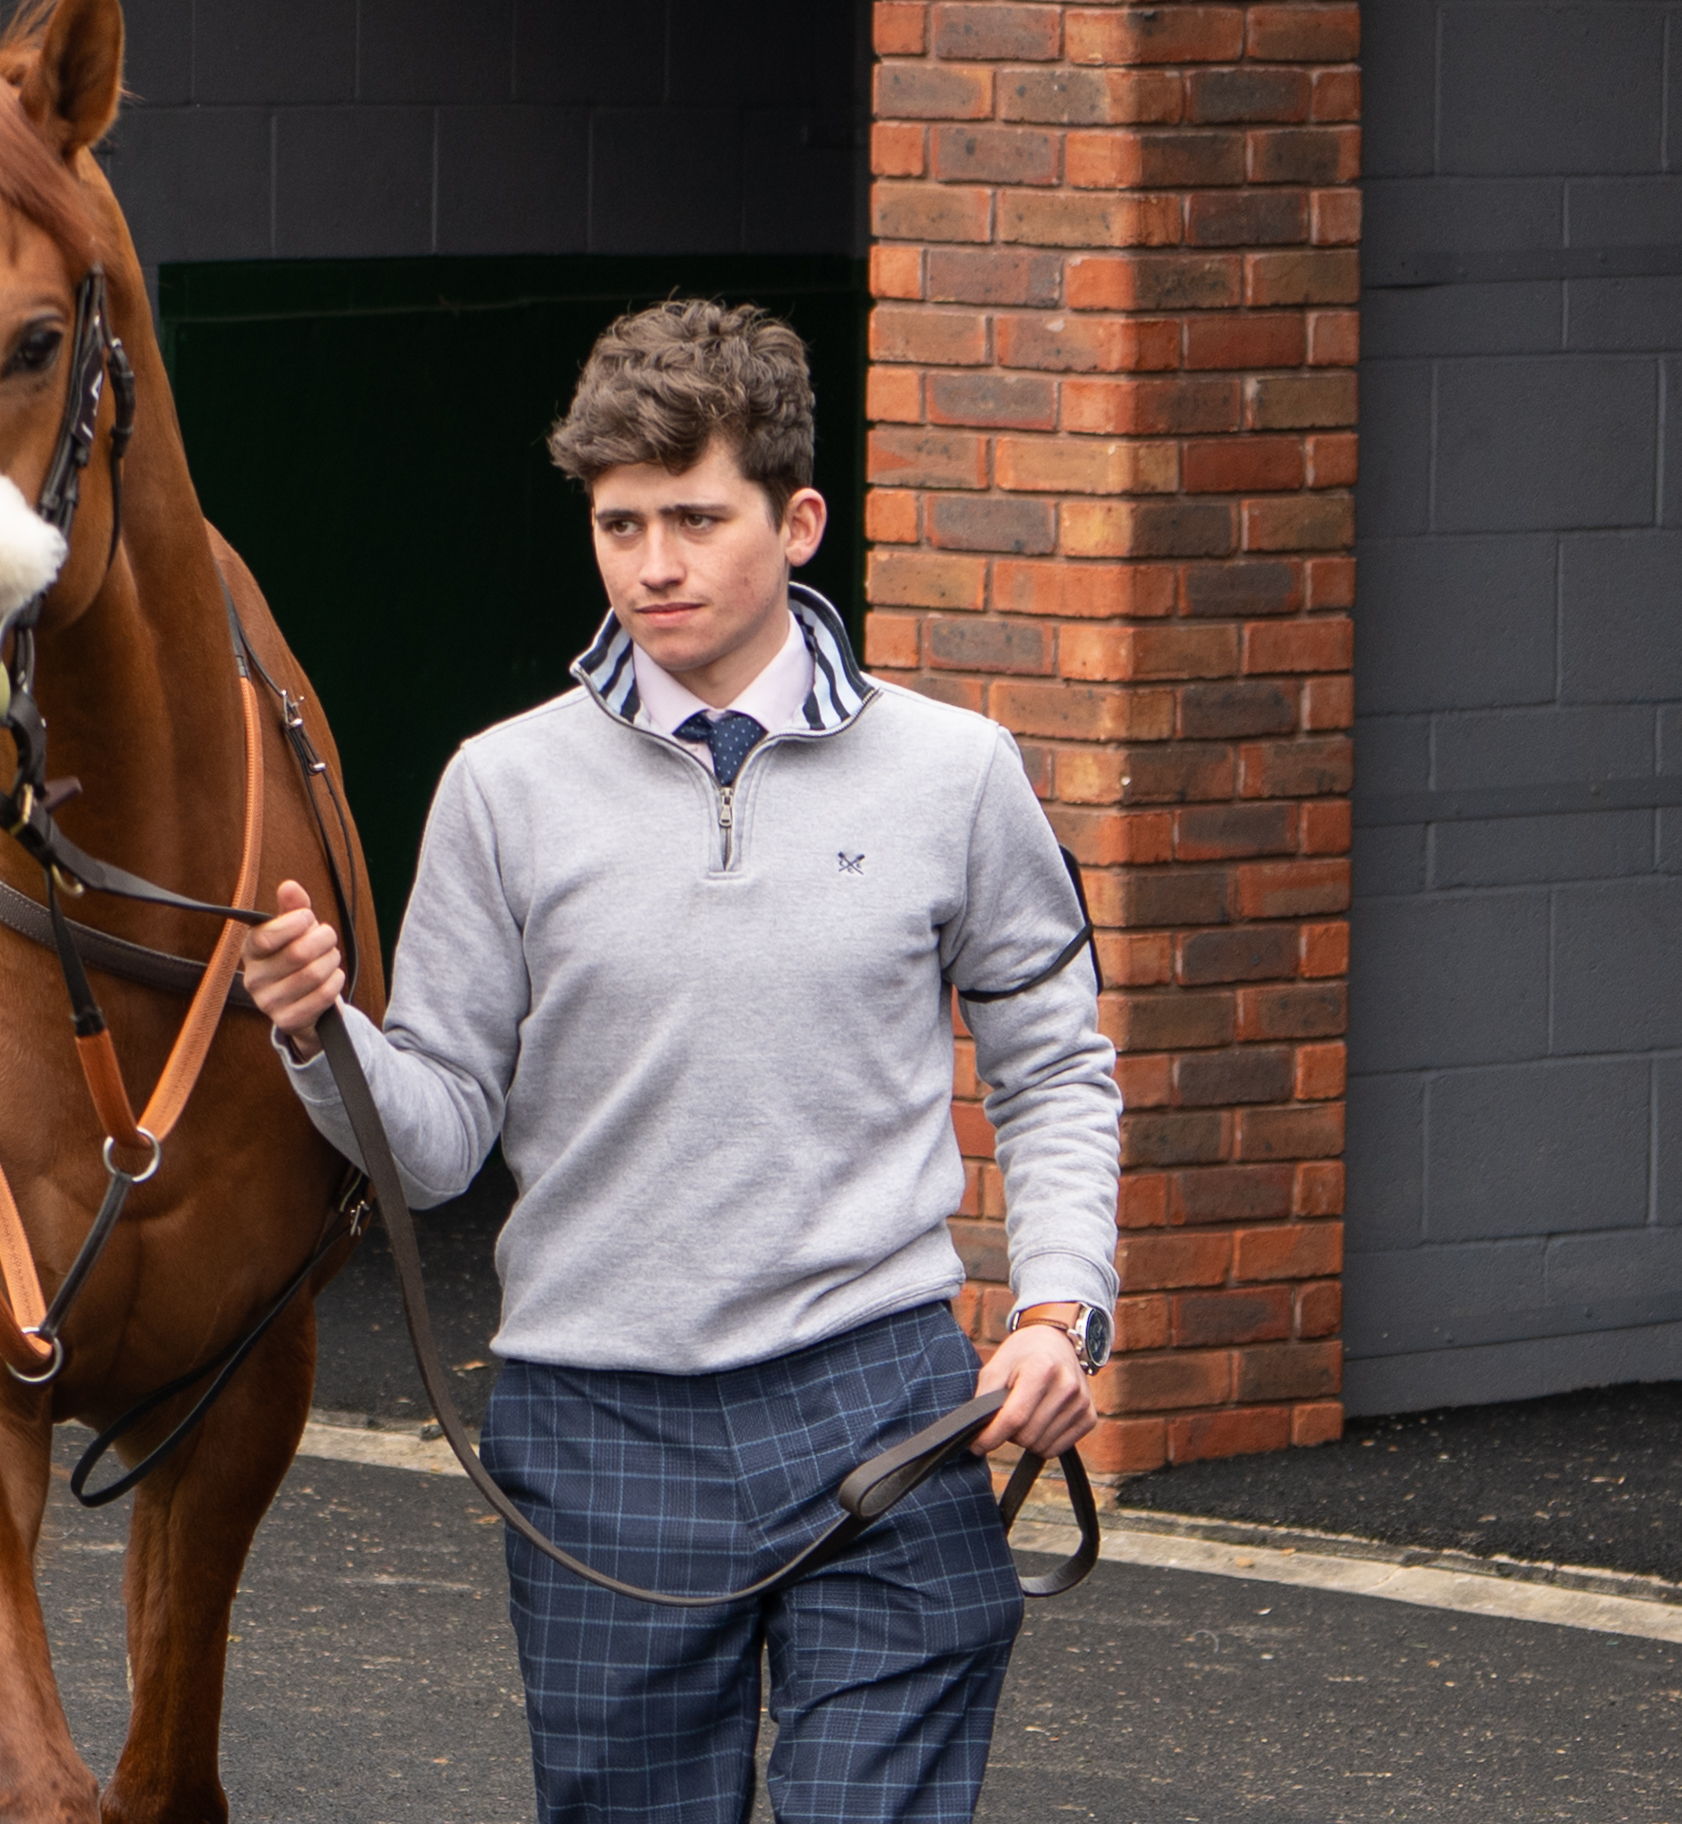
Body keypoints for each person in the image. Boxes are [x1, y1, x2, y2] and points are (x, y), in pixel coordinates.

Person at [239, 300, 1123, 1822]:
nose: (652, 563)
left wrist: (1060, 1313)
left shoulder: (954, 772)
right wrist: (320, 1036)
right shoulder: (500, 788)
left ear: (795, 520)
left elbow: (1052, 1068)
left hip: (883, 1401)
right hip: (596, 1420)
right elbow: (440, 1134)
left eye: (694, 519)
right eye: (618, 522)